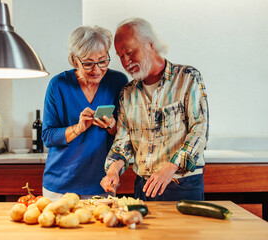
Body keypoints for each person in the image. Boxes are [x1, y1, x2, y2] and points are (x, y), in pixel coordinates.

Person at [100, 18, 209, 201]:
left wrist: (170, 168)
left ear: (150, 44)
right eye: (120, 55)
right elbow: (123, 140)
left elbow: (199, 130)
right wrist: (112, 170)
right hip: (143, 187)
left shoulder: (188, 78)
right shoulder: (127, 92)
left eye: (129, 52)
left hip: (181, 185)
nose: (125, 61)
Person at [41, 25, 128, 201]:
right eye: (88, 63)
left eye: (102, 61)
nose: (96, 70)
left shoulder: (118, 82)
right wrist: (78, 128)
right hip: (59, 185)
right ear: (74, 60)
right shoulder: (58, 85)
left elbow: (126, 134)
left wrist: (111, 124)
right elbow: (48, 136)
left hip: (102, 183)